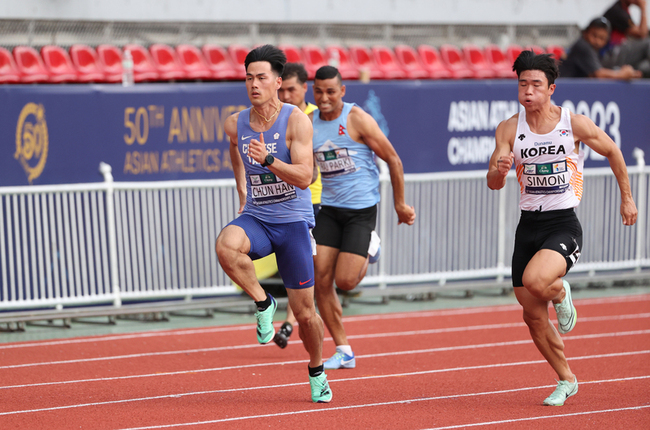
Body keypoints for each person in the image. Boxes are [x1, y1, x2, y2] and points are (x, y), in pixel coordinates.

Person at [487, 50, 638, 406]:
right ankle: (566, 378)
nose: (528, 91)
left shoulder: (574, 124)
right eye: (522, 84)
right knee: (532, 316)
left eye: (535, 85)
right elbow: (493, 183)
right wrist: (500, 169)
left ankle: (559, 291)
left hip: (562, 224)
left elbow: (614, 152)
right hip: (529, 226)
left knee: (539, 282)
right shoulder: (510, 129)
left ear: (551, 88)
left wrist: (627, 198)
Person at [215, 45, 332, 403]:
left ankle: (316, 370)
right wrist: (240, 183)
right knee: (225, 245)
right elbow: (235, 146)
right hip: (258, 217)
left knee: (306, 315)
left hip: (293, 224)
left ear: (277, 81)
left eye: (261, 77)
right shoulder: (235, 122)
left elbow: (304, 175)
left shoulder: (296, 119)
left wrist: (268, 160)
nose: (254, 84)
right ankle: (264, 302)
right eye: (248, 77)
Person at [310, 65, 416, 370]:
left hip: (360, 211)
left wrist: (400, 204)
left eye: (331, 91)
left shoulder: (356, 118)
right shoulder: (309, 123)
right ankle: (343, 350)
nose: (324, 97)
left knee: (345, 281)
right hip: (330, 208)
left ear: (342, 91)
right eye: (318, 91)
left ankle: (371, 246)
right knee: (320, 278)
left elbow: (393, 159)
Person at [273, 62, 322, 349]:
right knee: (304, 272)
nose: (287, 95)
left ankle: (293, 322)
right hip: (287, 204)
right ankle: (293, 321)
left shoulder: (313, 118)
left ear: (305, 88)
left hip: (317, 202)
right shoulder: (276, 117)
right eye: (283, 90)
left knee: (319, 275)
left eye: (292, 89)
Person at [559, 17, 643, 79]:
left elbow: (593, 74)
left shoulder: (596, 51)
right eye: (594, 35)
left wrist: (631, 73)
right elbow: (598, 74)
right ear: (585, 33)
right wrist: (622, 74)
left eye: (602, 38)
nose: (597, 41)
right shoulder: (583, 46)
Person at [601, 0, 650, 76]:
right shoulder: (617, 11)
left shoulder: (624, 10)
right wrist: (643, 8)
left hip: (617, 54)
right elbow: (641, 34)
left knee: (645, 66)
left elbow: (643, 31)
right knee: (648, 43)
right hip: (609, 54)